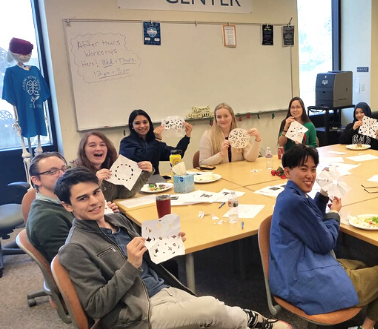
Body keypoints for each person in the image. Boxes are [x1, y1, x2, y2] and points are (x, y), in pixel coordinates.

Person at [55, 167, 291, 329]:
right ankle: (257, 321)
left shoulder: (116, 219)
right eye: (83, 198)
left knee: (213, 312)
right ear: (67, 206)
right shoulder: (74, 248)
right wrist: (130, 266)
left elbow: (146, 253)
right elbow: (96, 307)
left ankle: (252, 321)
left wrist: (163, 242)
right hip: (136, 313)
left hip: (160, 288)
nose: (95, 201)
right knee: (211, 307)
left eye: (96, 192)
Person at [269, 145, 378, 329]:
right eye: (303, 169)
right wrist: (334, 214)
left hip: (293, 270)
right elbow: (325, 242)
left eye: (313, 169)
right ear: (288, 171)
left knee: (362, 265)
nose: (310, 175)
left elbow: (311, 218)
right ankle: (365, 327)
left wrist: (322, 195)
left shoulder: (289, 195)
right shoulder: (295, 201)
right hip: (302, 281)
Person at [25, 152, 119, 263]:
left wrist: (103, 216)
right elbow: (72, 262)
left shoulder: (62, 203)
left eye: (63, 169)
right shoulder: (47, 219)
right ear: (36, 180)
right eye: (52, 171)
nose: (61, 174)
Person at [75, 131, 153, 201]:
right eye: (92, 145)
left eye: (102, 145)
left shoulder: (113, 166)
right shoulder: (76, 173)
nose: (98, 148)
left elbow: (124, 194)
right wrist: (96, 182)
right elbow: (85, 202)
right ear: (83, 150)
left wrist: (146, 173)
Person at [119, 109, 193, 173]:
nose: (142, 126)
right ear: (132, 125)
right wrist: (157, 139)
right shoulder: (126, 143)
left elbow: (177, 154)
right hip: (136, 185)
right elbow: (145, 158)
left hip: (155, 183)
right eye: (137, 123)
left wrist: (187, 136)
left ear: (149, 124)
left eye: (145, 122)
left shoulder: (153, 142)